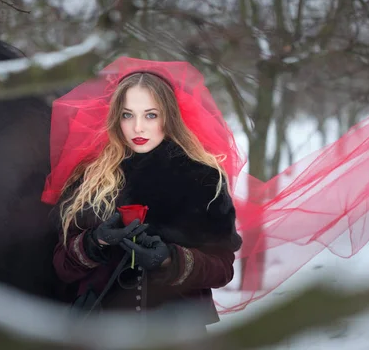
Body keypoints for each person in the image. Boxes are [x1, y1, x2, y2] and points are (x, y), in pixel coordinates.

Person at [48, 70, 243, 326]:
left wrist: (170, 259)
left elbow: (223, 268)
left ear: (168, 117)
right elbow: (61, 266)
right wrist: (95, 242)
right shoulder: (89, 179)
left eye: (150, 115)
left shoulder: (204, 179)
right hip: (100, 328)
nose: (137, 127)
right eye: (127, 115)